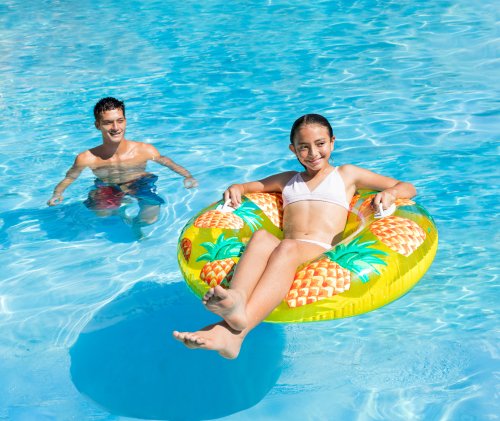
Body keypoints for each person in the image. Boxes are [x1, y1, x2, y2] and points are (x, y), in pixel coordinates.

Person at [173, 113, 416, 359]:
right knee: (261, 237)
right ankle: (237, 298)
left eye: (320, 144)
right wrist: (237, 187)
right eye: (304, 147)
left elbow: (407, 187)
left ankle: (236, 334)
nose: (313, 153)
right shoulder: (288, 180)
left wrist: (392, 194)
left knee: (287, 246)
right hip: (288, 249)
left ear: (332, 142)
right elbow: (252, 186)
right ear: (293, 149)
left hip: (321, 252)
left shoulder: (347, 175)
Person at [47, 97, 198, 226]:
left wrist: (187, 176)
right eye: (108, 122)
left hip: (139, 183)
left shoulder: (144, 150)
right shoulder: (87, 157)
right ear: (97, 125)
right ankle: (120, 211)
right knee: (102, 214)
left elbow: (167, 162)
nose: (115, 127)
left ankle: (133, 224)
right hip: (108, 185)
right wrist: (57, 193)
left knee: (149, 219)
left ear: (125, 121)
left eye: (120, 121)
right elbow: (70, 177)